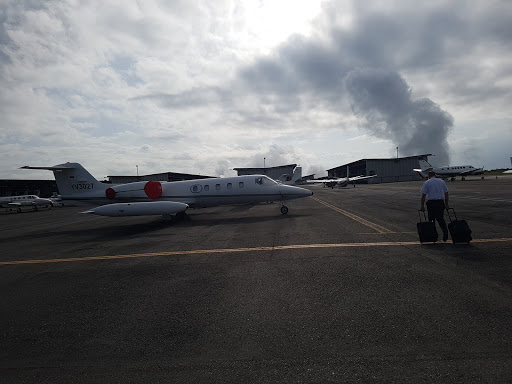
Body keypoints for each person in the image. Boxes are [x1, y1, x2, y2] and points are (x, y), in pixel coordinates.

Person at [420, 171, 450, 241]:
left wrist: (422, 206)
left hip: (431, 203)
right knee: (440, 219)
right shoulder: (442, 182)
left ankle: (434, 235)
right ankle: (445, 232)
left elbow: (423, 195)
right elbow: (446, 193)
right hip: (440, 203)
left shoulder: (427, 182)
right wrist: (446, 204)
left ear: (429, 175)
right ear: (435, 175)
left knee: (431, 220)